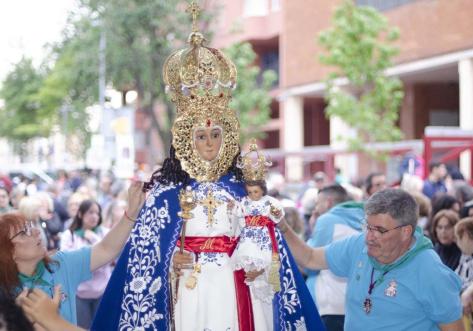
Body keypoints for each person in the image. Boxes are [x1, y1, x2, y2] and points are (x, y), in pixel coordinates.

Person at [92, 14, 323, 331]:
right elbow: (143, 258)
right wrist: (170, 262)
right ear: (186, 140)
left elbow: (266, 244)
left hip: (238, 290)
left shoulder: (245, 191)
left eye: (216, 135)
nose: (210, 143)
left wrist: (259, 265)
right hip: (188, 290)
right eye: (201, 136)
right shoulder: (164, 197)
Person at [278, 188, 465, 330]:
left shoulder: (430, 271)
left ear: (405, 232)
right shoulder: (357, 245)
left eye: (380, 230)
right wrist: (283, 227)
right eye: (368, 226)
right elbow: (310, 258)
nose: (370, 236)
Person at [0, 181, 144, 326]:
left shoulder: (60, 264)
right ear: (9, 252)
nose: (37, 232)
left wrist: (131, 213)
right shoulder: (5, 294)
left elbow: (106, 249)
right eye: (24, 233)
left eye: (31, 227)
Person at [230, 143, 285, 329]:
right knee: (246, 261)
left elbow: (278, 215)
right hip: (248, 238)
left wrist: (275, 213)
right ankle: (251, 273)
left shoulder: (269, 202)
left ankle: (260, 273)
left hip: (262, 238)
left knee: (265, 262)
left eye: (256, 192)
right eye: (249, 192)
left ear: (263, 190)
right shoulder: (244, 202)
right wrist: (234, 210)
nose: (252, 195)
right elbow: (238, 217)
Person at [306, 185, 362, 331]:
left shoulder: (327, 220)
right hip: (357, 303)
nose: (316, 209)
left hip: (331, 303)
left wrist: (313, 228)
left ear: (329, 202)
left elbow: (309, 262)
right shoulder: (364, 219)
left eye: (318, 203)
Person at [59, 200, 112, 329]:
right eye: (90, 212)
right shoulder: (69, 235)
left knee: (103, 326)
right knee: (83, 327)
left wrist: (94, 238)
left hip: (102, 290)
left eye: (97, 213)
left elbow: (110, 255)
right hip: (79, 292)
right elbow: (68, 261)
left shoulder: (104, 233)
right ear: (81, 214)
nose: (94, 216)